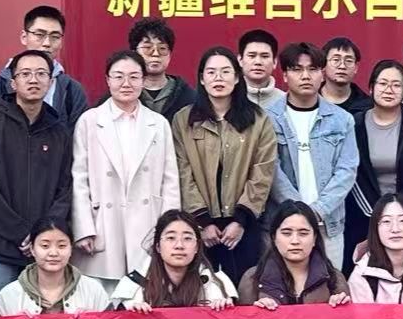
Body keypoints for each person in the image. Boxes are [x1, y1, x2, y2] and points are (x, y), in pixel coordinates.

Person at [0, 49, 74, 297]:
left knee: (44, 318)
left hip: (45, 249)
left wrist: (43, 234)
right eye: (25, 74)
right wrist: (21, 233)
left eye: (41, 74)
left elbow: (66, 188)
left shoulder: (59, 131)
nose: (33, 80)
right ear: (13, 82)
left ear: (51, 82)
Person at [71, 50, 181, 288]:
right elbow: (79, 178)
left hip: (147, 223)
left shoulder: (158, 124)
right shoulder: (90, 121)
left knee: (145, 294)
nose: (126, 83)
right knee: (103, 297)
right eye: (119, 76)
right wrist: (83, 228)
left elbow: (170, 181)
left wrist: (170, 231)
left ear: (143, 80)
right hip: (103, 224)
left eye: (134, 77)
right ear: (107, 80)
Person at [173, 47, 276, 282]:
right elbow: (182, 171)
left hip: (244, 223)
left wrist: (240, 219)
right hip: (198, 224)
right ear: (202, 78)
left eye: (225, 72)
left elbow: (263, 171)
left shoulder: (258, 119)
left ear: (237, 77)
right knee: (201, 289)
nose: (218, 78)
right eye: (211, 72)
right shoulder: (183, 120)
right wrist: (202, 222)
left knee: (245, 286)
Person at [266, 42, 359, 252]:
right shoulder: (267, 118)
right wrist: (298, 212)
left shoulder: (342, 119)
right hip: (283, 224)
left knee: (330, 274)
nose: (306, 76)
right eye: (297, 69)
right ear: (284, 75)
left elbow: (347, 170)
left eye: (313, 69)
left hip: (328, 224)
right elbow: (271, 170)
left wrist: (319, 210)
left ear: (322, 74)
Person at [346, 58, 403, 272]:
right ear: (371, 87)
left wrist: (400, 213)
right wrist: (378, 216)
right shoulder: (354, 124)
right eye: (383, 83)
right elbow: (352, 173)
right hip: (365, 217)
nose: (389, 90)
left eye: (396, 85)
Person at [0, 5, 89, 123]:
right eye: (39, 35)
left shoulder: (72, 90)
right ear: (24, 37)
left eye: (55, 37)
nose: (47, 43)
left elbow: (79, 133)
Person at [109, 209, 233, 310]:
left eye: (187, 238)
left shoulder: (214, 282)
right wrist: (132, 315)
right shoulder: (134, 284)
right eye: (171, 238)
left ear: (197, 247)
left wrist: (222, 311)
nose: (179, 245)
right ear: (158, 246)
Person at [238, 201, 351, 306]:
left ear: (314, 238)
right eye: (287, 233)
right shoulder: (252, 278)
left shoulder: (334, 278)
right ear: (274, 238)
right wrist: (257, 313)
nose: (295, 241)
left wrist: (340, 308)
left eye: (303, 233)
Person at [0, 215, 111, 314]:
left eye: (61, 246)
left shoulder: (93, 291)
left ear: (71, 249)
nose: (53, 253)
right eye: (45, 246)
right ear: (32, 249)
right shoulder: (9, 295)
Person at [130, 18, 198, 118]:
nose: (155, 54)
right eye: (147, 48)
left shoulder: (190, 97)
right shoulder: (122, 94)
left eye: (162, 48)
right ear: (134, 53)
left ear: (170, 54)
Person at [320, 37, 372, 116]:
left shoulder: (368, 106)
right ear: (324, 65)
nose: (342, 66)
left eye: (348, 61)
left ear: (356, 68)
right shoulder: (310, 100)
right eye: (336, 60)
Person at [237, 29, 283, 109]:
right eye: (252, 56)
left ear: (275, 62)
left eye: (264, 56)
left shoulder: (285, 102)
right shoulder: (227, 99)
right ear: (240, 60)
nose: (258, 62)